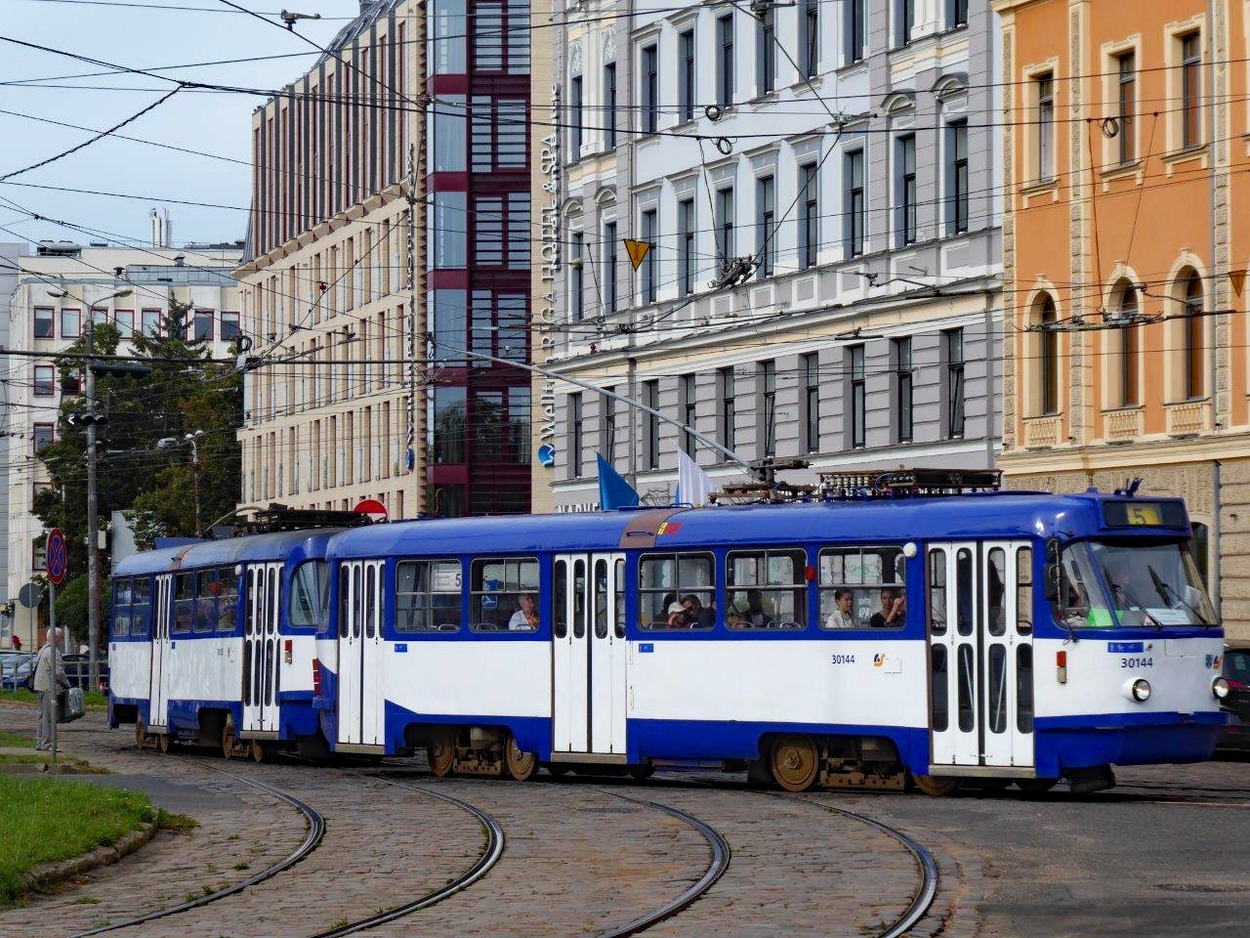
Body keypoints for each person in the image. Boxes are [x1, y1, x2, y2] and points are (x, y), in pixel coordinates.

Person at [33, 627, 69, 751]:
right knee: (49, 717)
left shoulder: (43, 649)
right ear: (57, 638)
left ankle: (40, 742)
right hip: (49, 687)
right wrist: (67, 685)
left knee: (42, 716)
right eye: (61, 637)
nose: (62, 640)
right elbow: (58, 672)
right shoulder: (53, 651)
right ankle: (47, 744)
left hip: (40, 686)